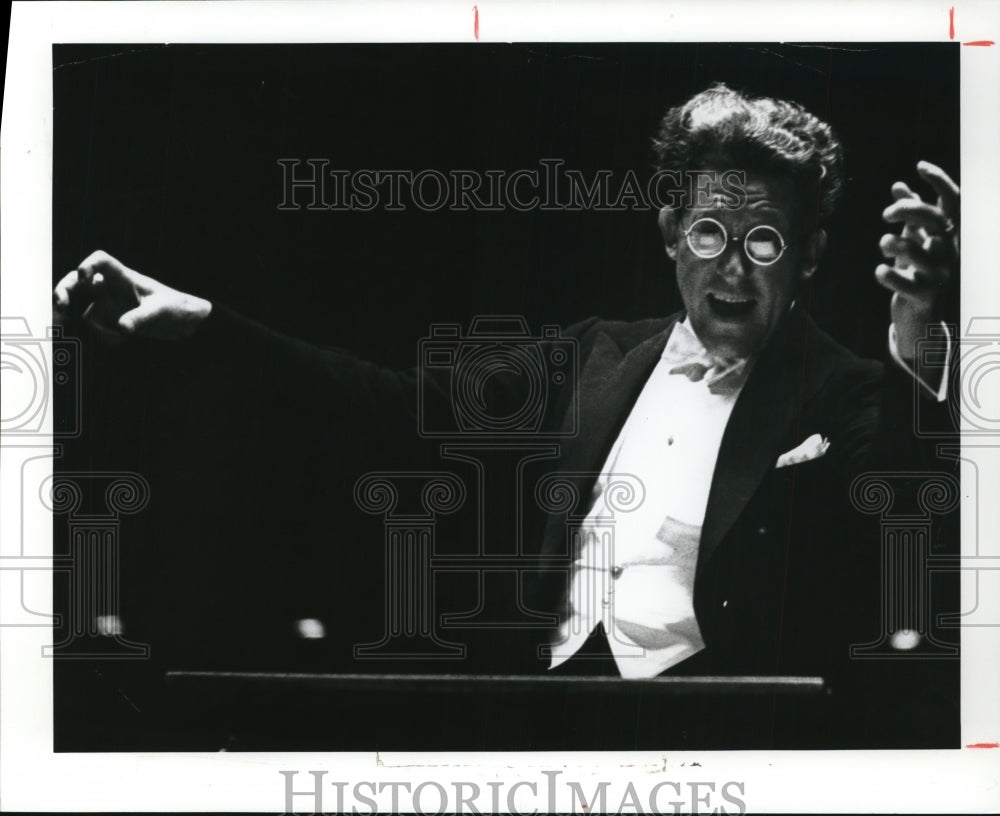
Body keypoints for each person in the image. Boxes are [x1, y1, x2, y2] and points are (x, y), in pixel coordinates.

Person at [53, 85, 959, 740]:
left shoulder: (848, 392)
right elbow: (390, 404)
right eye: (709, 234)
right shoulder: (594, 356)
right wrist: (203, 325)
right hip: (546, 721)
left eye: (764, 240)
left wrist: (919, 331)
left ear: (808, 258)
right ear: (669, 232)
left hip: (727, 737)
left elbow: (908, 513)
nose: (732, 267)